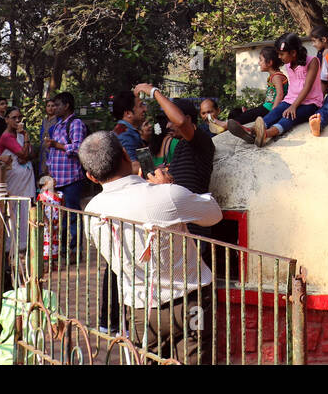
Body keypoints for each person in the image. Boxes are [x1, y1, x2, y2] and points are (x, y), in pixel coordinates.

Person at [80, 131, 222, 364]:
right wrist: (167, 186)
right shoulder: (166, 194)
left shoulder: (92, 211)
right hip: (191, 302)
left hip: (140, 309)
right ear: (126, 154)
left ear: (91, 177)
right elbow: (213, 214)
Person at [225, 34, 322, 145]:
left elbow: (307, 87)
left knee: (289, 116)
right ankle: (251, 131)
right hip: (290, 100)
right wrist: (289, 104)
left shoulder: (312, 62)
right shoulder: (288, 64)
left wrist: (293, 107)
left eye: (281, 54)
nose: (279, 57)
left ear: (293, 53)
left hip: (310, 102)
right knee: (275, 111)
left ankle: (266, 134)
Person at [135, 84, 215, 197]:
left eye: (171, 121)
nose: (167, 126)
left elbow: (181, 122)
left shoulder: (201, 140)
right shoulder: (180, 145)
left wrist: (154, 92)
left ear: (188, 119)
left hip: (190, 206)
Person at [43, 92, 89, 260]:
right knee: (59, 217)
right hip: (57, 180)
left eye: (57, 105)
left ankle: (75, 250)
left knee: (73, 216)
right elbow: (52, 153)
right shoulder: (57, 125)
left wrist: (57, 145)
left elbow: (78, 149)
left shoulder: (75, 124)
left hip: (71, 180)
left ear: (66, 106)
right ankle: (61, 250)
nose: (54, 108)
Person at [225, 46, 286, 144]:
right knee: (243, 113)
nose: (259, 63)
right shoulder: (273, 76)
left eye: (261, 60)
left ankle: (224, 125)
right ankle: (247, 132)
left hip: (269, 109)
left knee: (248, 115)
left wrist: (274, 111)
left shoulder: (277, 77)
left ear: (269, 63)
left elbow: (280, 94)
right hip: (266, 107)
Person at [111, 90, 147, 159]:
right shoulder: (126, 135)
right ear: (128, 113)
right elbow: (133, 166)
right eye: (141, 106)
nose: (145, 109)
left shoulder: (124, 130)